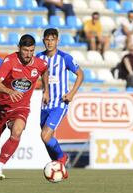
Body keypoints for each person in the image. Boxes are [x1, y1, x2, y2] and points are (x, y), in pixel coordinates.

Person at [0, 34, 49, 184]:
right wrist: (10, 91)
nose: (28, 54)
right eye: (25, 50)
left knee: (17, 131)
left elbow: (44, 69)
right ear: (19, 48)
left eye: (31, 51)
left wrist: (46, 90)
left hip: (21, 107)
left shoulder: (39, 63)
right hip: (1, 107)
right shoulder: (10, 61)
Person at [36, 28, 84, 177]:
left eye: (52, 39)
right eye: (47, 39)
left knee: (45, 136)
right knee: (46, 139)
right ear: (43, 41)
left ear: (58, 41)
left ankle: (62, 159)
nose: (50, 42)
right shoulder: (38, 58)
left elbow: (80, 74)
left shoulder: (65, 58)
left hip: (60, 103)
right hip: (45, 104)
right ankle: (60, 168)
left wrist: (71, 93)